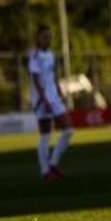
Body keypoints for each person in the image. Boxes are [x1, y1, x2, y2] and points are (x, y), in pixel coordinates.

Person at [29, 25, 74, 182]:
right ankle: (45, 171)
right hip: (42, 100)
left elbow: (52, 75)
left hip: (54, 97)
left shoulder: (51, 54)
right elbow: (35, 80)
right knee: (46, 135)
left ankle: (53, 164)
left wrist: (59, 91)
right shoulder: (35, 55)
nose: (48, 39)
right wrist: (45, 100)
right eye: (44, 36)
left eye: (49, 36)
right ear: (38, 38)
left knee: (68, 130)